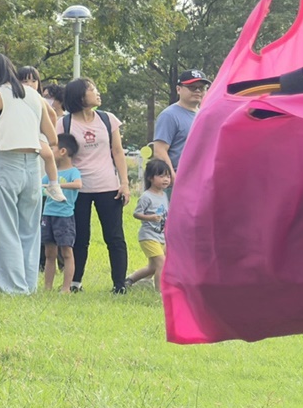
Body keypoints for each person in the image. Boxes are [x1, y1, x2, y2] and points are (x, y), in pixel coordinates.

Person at [0, 51, 49, 295]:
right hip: (33, 163)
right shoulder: (34, 95)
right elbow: (54, 134)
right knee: (29, 228)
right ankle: (28, 284)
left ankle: (14, 287)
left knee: (4, 227)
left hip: (7, 161)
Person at [58, 77, 131, 293]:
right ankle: (75, 282)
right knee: (80, 237)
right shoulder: (65, 122)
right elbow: (59, 153)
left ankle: (119, 284)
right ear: (80, 96)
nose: (97, 93)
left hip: (108, 186)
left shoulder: (108, 119)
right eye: (92, 89)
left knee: (115, 237)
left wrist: (124, 183)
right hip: (78, 188)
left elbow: (117, 152)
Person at [41, 132, 83, 292]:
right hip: (48, 215)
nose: (50, 151)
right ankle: (47, 287)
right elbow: (39, 187)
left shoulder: (73, 172)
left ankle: (66, 287)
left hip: (64, 217)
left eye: (53, 148)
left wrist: (57, 186)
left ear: (63, 151)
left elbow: (78, 185)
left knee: (66, 252)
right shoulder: (51, 174)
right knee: (49, 253)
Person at [125, 159, 172, 287]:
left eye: (168, 176)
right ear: (151, 178)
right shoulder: (146, 196)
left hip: (160, 236)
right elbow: (136, 214)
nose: (166, 179)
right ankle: (160, 292)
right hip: (148, 237)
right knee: (161, 263)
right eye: (161, 176)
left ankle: (129, 280)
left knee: (152, 267)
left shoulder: (164, 195)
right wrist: (150, 218)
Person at [151, 71, 207, 170]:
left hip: (200, 179)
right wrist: (173, 177)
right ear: (178, 89)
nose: (197, 91)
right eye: (192, 87)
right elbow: (159, 151)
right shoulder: (169, 116)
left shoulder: (205, 116)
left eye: (201, 88)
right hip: (177, 179)